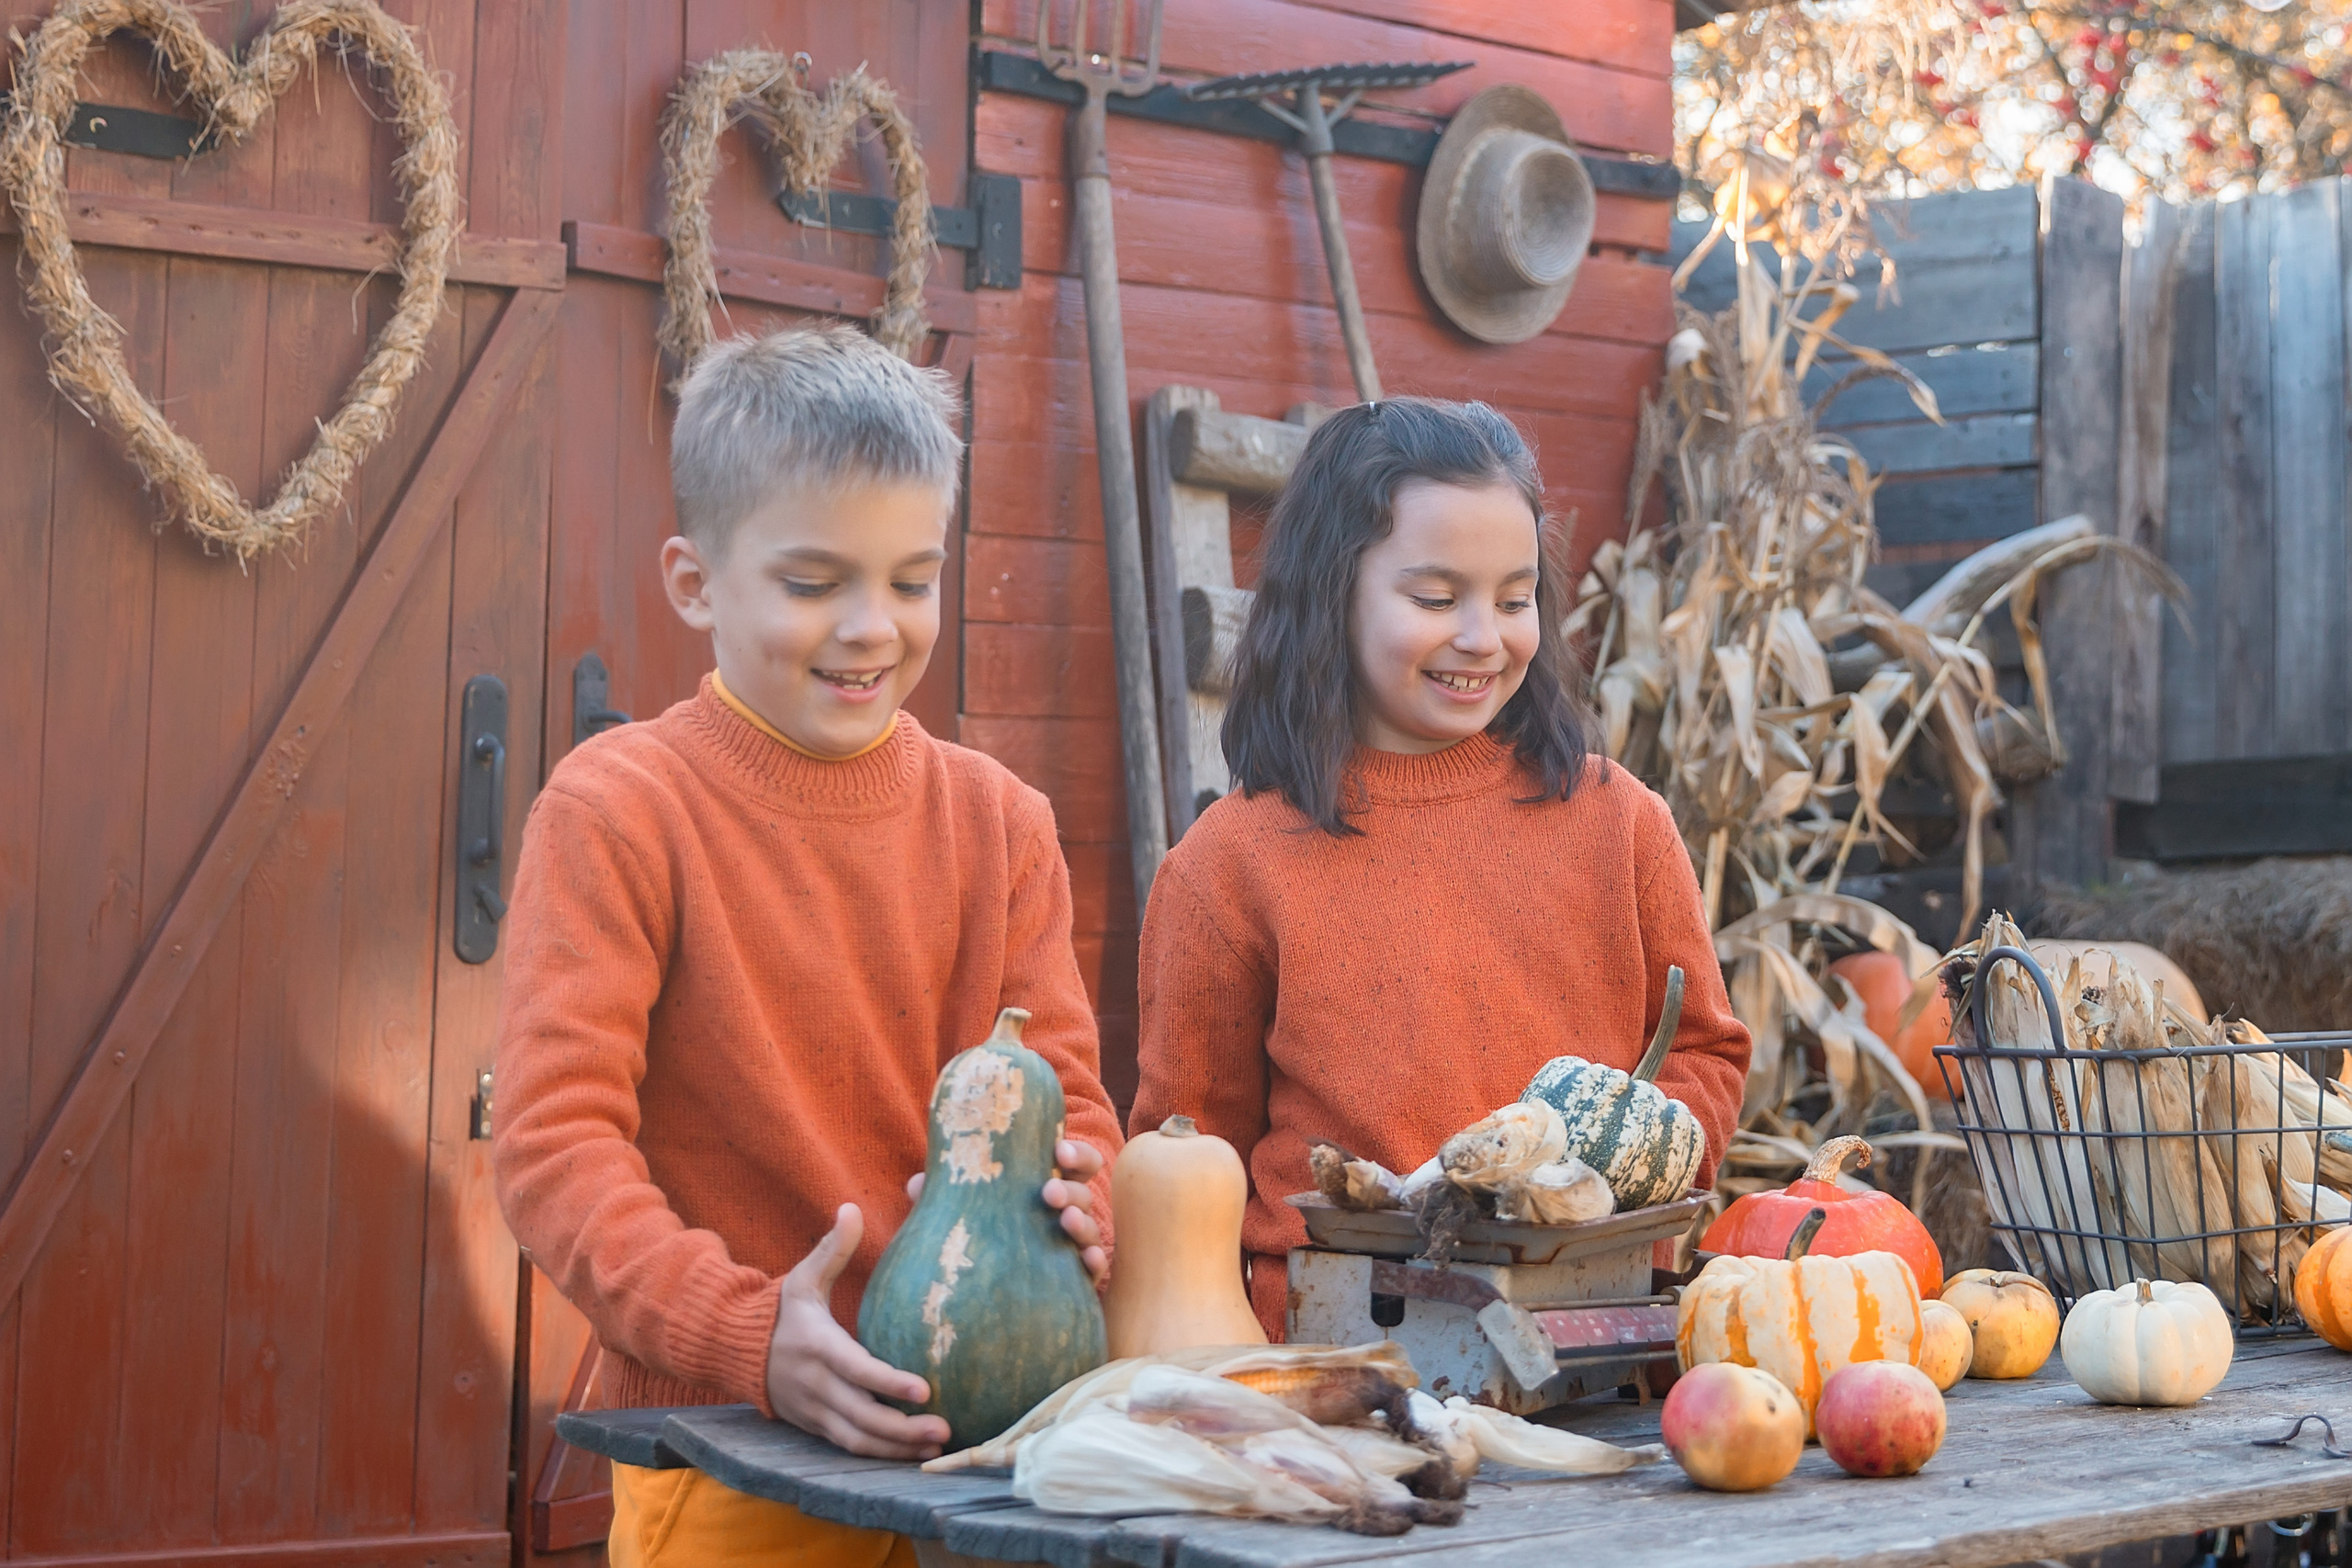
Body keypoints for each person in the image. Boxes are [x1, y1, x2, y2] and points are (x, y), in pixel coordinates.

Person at [492, 326, 1123, 1566]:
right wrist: (744, 1332)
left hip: (990, 1451)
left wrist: (1083, 1197)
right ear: (694, 580)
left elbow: (1075, 1106)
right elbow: (553, 1147)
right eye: (813, 581)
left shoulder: (1001, 822)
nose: (871, 626)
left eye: (910, 578)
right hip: (729, 1444)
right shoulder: (621, 806)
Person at [1130, 397, 1750, 1339]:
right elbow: (1186, 1158)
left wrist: (1612, 1159)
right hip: (1338, 1350)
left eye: (1512, 600)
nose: (1481, 637)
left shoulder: (1619, 823)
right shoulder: (1229, 864)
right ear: (1329, 593)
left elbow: (1707, 1054)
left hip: (1593, 1321)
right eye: (1433, 599)